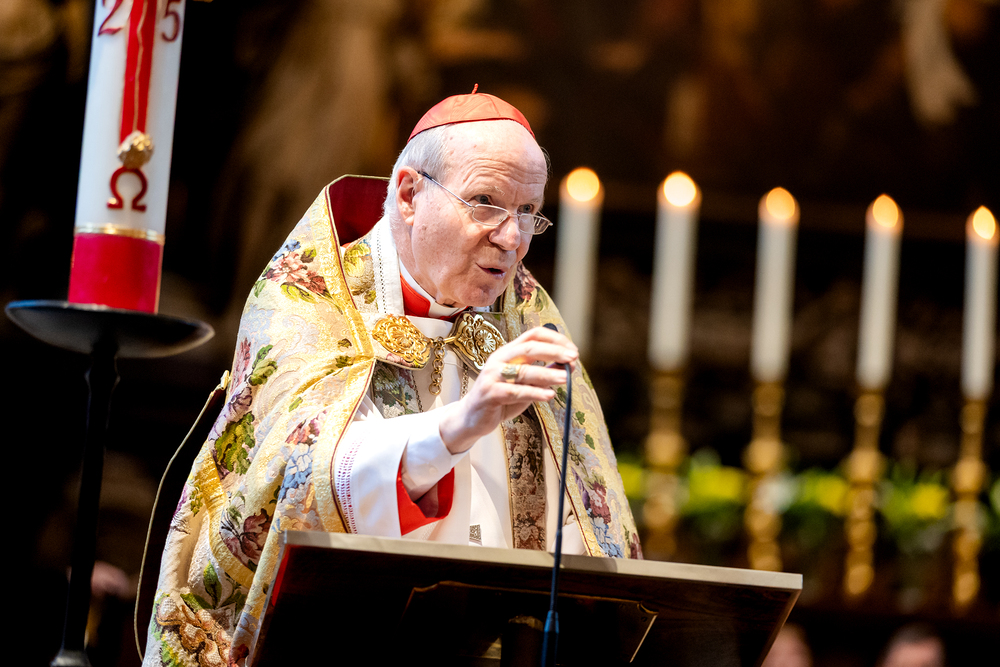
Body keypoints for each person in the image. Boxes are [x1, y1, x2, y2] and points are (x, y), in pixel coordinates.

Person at [141, 90, 641, 666]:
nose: (512, 238)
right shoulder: (310, 294)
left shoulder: (526, 312)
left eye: (529, 212)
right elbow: (294, 478)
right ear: (408, 194)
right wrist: (459, 425)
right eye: (485, 203)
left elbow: (585, 517)